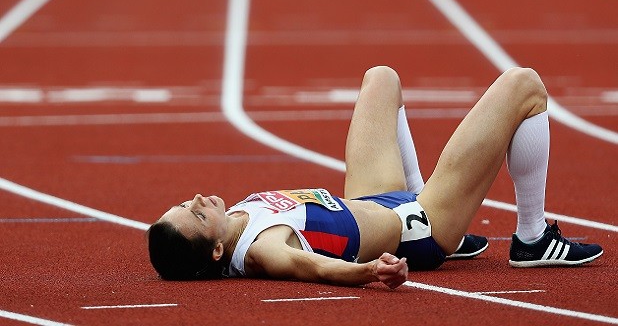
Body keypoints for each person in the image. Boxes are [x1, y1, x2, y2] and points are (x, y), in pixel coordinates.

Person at [147, 66, 603, 289]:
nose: (198, 198)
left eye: (186, 202)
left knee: (381, 79)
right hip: (419, 227)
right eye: (195, 213)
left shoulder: (239, 219)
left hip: (374, 199)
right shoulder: (262, 249)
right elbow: (313, 266)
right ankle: (532, 237)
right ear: (216, 249)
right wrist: (370, 271)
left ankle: (432, 195)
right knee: (524, 87)